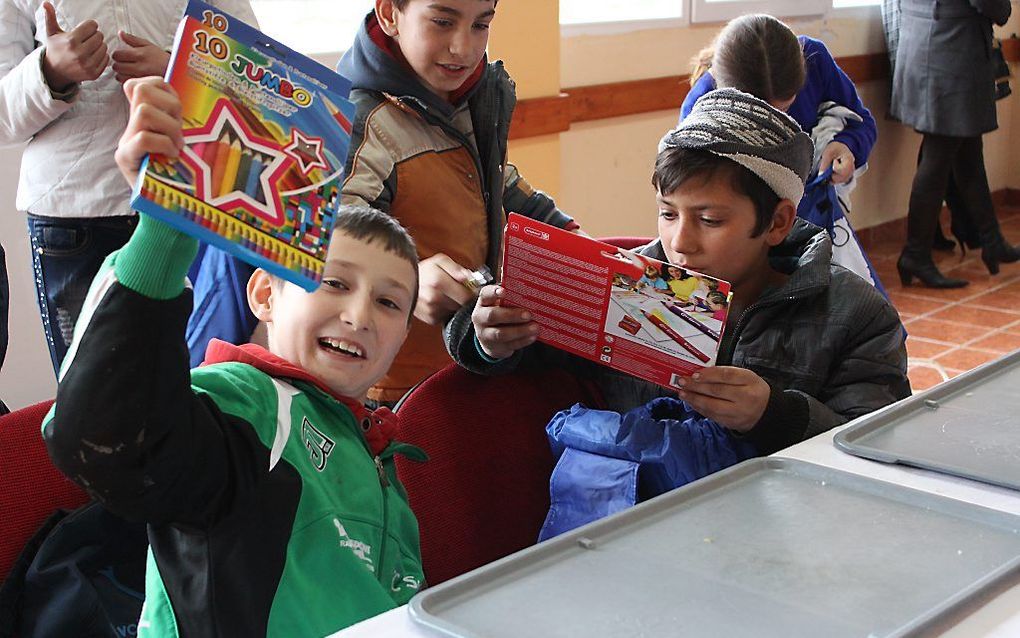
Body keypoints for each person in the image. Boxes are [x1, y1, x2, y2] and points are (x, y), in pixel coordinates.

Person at [43, 77, 427, 635]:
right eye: (334, 283)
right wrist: (165, 234)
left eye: (389, 302)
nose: (360, 315)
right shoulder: (244, 406)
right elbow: (104, 439)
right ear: (265, 294)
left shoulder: (380, 454)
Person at [449, 89, 910, 455]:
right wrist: (487, 336)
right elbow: (531, 352)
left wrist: (774, 414)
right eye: (668, 214)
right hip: (642, 516)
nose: (680, 242)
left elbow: (876, 442)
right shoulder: (625, 285)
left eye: (710, 220)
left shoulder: (856, 316)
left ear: (777, 222)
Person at [337, 0, 579, 406]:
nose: (463, 48)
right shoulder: (358, 119)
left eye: (481, 25)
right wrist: (409, 276)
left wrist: (576, 240)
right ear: (389, 14)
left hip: (469, 360)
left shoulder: (471, 97)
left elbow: (501, 184)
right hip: (393, 388)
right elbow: (337, 241)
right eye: (443, 21)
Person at [0, 0, 257, 374]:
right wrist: (49, 71)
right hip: (74, 219)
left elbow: (260, 75)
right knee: (90, 395)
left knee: (203, 380)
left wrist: (183, 69)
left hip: (192, 205)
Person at [891, 0, 1018, 288]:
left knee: (968, 152)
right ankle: (915, 254)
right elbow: (992, 5)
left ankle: (992, 239)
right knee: (938, 159)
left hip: (924, 40)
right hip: (950, 52)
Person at [681, 14, 876, 188]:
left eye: (784, 109)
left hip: (813, 208)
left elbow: (863, 124)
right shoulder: (700, 107)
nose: (776, 123)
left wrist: (847, 146)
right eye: (760, 117)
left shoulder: (815, 60)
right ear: (726, 97)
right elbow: (689, 187)